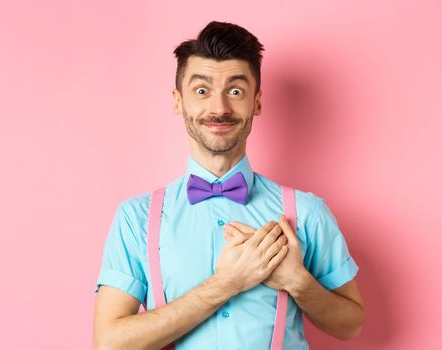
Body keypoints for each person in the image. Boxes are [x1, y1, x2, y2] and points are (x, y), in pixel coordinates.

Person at [92, 21, 365, 350]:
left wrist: (297, 281)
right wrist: (225, 284)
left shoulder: (305, 212)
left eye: (235, 91)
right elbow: (110, 343)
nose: (219, 108)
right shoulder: (137, 218)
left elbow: (350, 324)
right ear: (179, 102)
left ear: (257, 102)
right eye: (202, 91)